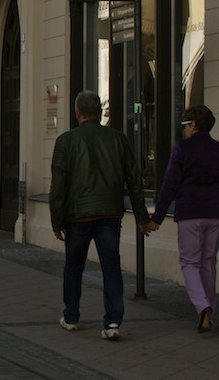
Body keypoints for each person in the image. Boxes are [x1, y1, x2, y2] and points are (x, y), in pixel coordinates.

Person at [49, 90, 151, 341]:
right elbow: (134, 180)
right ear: (100, 112)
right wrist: (141, 216)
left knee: (73, 267)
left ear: (77, 113)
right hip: (110, 213)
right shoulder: (118, 138)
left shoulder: (66, 141)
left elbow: (58, 185)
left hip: (78, 216)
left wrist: (57, 220)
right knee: (111, 267)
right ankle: (113, 321)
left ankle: (71, 316)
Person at [146, 105, 219, 333]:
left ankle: (202, 306)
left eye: (186, 125)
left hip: (190, 212)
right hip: (216, 213)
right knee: (208, 262)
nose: (185, 130)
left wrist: (157, 218)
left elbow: (170, 185)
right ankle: (210, 312)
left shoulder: (182, 149)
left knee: (189, 262)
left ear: (194, 125)